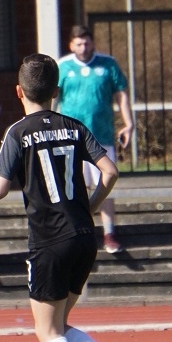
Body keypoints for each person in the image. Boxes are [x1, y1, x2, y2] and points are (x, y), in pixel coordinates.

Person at [0, 53, 142, 342]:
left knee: (47, 332)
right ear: (57, 91)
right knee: (60, 324)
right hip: (84, 237)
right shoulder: (74, 126)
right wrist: (90, 207)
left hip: (49, 240)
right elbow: (110, 171)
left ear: (18, 91)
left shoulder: (18, 132)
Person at [56, 25, 134, 254]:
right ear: (71, 45)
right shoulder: (63, 66)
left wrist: (129, 123)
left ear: (92, 43)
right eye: (78, 44)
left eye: (87, 43)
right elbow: (52, 97)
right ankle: (77, 233)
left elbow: (121, 94)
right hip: (71, 138)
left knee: (104, 185)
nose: (83, 47)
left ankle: (109, 233)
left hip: (101, 136)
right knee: (74, 188)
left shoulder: (108, 64)